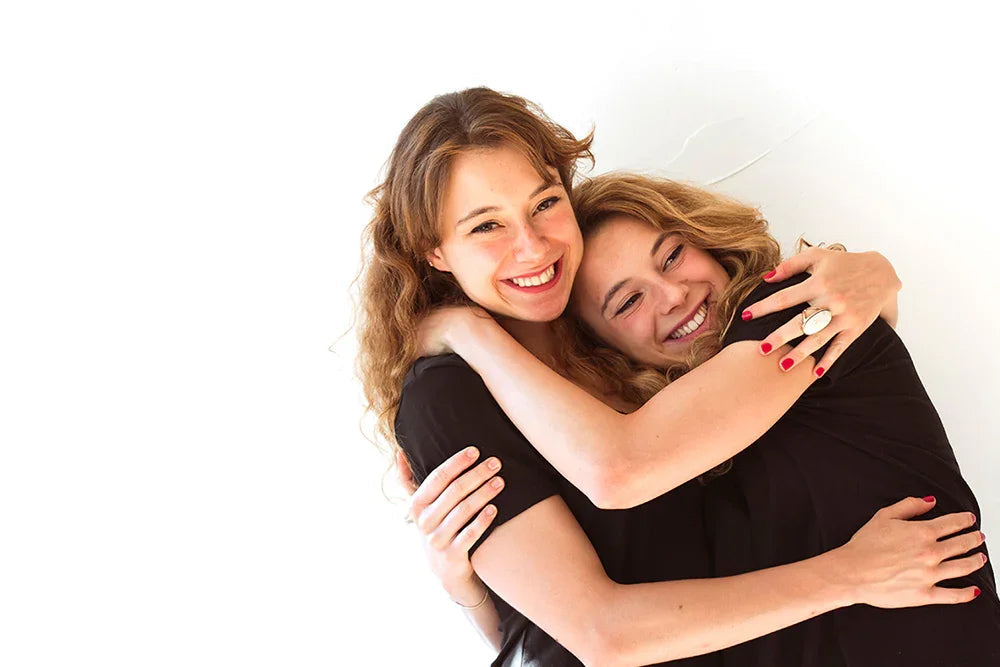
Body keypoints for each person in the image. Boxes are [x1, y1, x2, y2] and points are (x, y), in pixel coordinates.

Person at [358, 87, 985, 666]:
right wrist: (850, 573)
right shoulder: (448, 391)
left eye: (545, 203)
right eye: (486, 225)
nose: (532, 246)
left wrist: (876, 277)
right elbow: (591, 631)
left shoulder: (631, 367)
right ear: (432, 251)